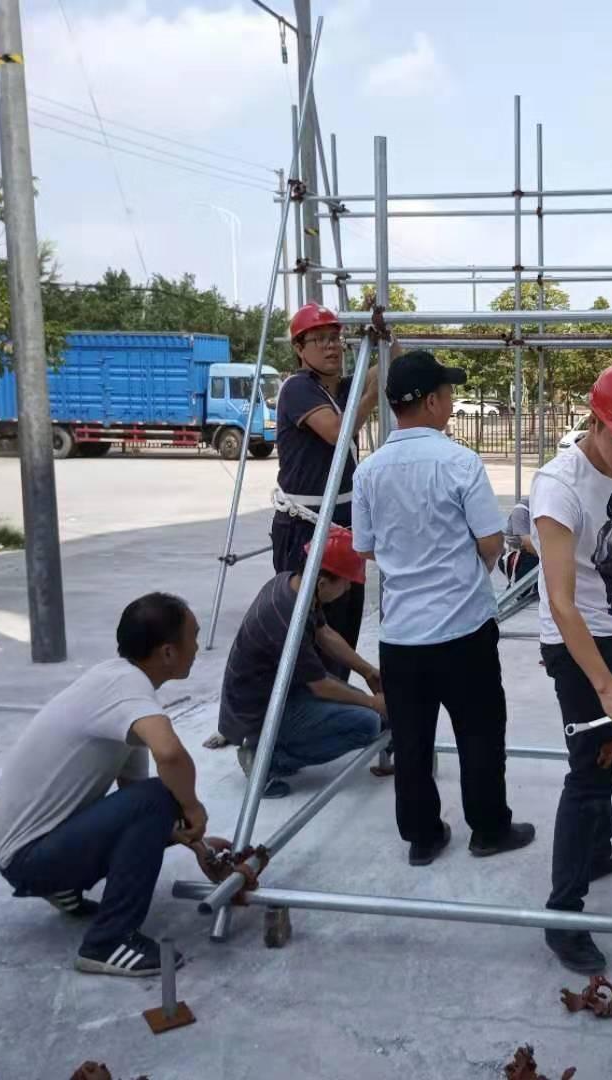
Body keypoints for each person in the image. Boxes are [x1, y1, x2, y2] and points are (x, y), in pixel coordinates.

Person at [0, 594, 228, 977]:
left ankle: (64, 887)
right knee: (161, 797)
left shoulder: (114, 682)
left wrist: (197, 844)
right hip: (26, 858)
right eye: (193, 637)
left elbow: (135, 806)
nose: (198, 647)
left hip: (28, 849)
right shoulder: (128, 689)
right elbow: (170, 754)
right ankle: (107, 942)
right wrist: (194, 809)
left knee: (153, 802)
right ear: (167, 652)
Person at [352, 350, 534, 866]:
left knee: (411, 741)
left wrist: (407, 560)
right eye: (449, 393)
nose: (452, 402)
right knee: (480, 733)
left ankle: (422, 837)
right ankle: (489, 830)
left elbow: (365, 548)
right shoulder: (460, 462)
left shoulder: (369, 471)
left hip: (401, 635)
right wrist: (460, 567)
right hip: (462, 628)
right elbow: (491, 541)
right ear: (431, 401)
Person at [531, 360, 612, 974]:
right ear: (595, 421)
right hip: (573, 644)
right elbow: (560, 602)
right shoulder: (558, 487)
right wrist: (605, 685)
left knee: (610, 751)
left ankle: (599, 850)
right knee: (586, 773)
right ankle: (564, 915)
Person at [218, 527, 388, 799]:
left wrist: (367, 671)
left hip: (277, 692)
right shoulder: (288, 617)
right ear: (322, 584)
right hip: (259, 712)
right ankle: (268, 760)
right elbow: (320, 685)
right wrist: (371, 703)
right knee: (367, 723)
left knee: (365, 710)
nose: (348, 589)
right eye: (345, 583)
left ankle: (271, 744)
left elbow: (324, 633)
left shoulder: (291, 584)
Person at [271, 303, 384, 677]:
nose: (331, 346)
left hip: (343, 524)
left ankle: (338, 693)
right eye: (319, 340)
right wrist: (369, 397)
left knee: (345, 622)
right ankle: (308, 698)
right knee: (311, 628)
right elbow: (337, 432)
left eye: (335, 338)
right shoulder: (298, 389)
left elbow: (390, 367)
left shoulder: (344, 388)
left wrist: (384, 335)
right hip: (305, 526)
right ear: (299, 348)